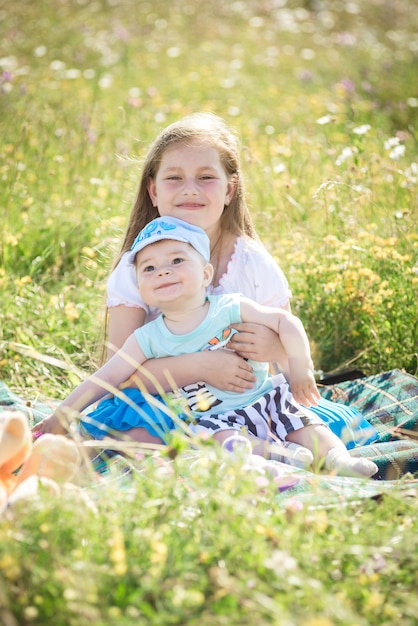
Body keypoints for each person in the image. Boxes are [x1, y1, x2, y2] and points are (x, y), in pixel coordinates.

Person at [33, 217, 378, 478]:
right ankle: (277, 460)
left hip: (263, 397)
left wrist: (300, 368)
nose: (163, 272)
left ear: (206, 273)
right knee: (214, 439)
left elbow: (287, 322)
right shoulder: (147, 338)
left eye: (177, 261)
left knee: (306, 423)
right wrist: (61, 415)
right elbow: (106, 379)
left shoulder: (229, 306)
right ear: (140, 286)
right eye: (149, 268)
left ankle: (340, 461)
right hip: (212, 417)